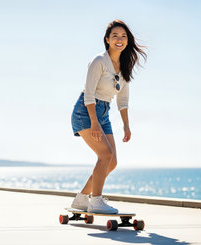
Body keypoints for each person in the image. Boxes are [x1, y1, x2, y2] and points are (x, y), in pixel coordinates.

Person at [70, 19, 146, 214]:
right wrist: (94, 122)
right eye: (115, 36)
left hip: (104, 113)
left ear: (127, 40)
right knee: (105, 155)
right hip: (86, 111)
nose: (119, 39)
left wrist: (126, 126)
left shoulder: (125, 65)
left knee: (111, 162)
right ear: (107, 40)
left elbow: (123, 99)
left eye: (123, 36)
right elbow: (88, 94)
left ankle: (81, 199)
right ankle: (96, 200)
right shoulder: (99, 61)